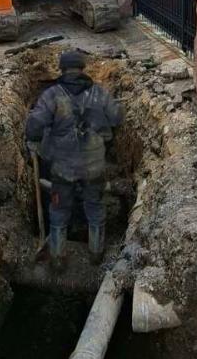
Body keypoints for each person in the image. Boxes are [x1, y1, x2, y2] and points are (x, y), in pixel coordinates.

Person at [24, 49, 123, 263]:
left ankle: (58, 257)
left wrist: (32, 140)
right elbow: (116, 117)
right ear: (82, 68)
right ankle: (96, 253)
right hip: (94, 166)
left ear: (62, 69)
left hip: (63, 167)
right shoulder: (99, 93)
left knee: (59, 208)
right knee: (95, 205)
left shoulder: (52, 95)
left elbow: (36, 123)